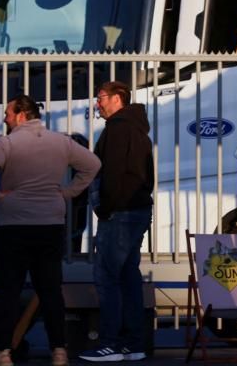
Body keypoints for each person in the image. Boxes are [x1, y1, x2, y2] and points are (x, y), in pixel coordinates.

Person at [0, 95, 100, 366]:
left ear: (21, 115)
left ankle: (3, 352)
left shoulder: (6, 143)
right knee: (51, 290)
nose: (5, 118)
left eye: (8, 113)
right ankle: (59, 351)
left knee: (9, 290)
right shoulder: (61, 142)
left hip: (13, 226)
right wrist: (68, 192)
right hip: (50, 224)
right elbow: (93, 165)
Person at [80, 81, 154, 363]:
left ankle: (109, 343)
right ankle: (133, 344)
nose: (97, 104)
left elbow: (112, 172)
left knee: (107, 277)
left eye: (100, 98)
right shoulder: (138, 128)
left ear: (117, 98)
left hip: (120, 213)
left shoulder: (118, 128)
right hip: (137, 210)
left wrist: (105, 208)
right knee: (129, 277)